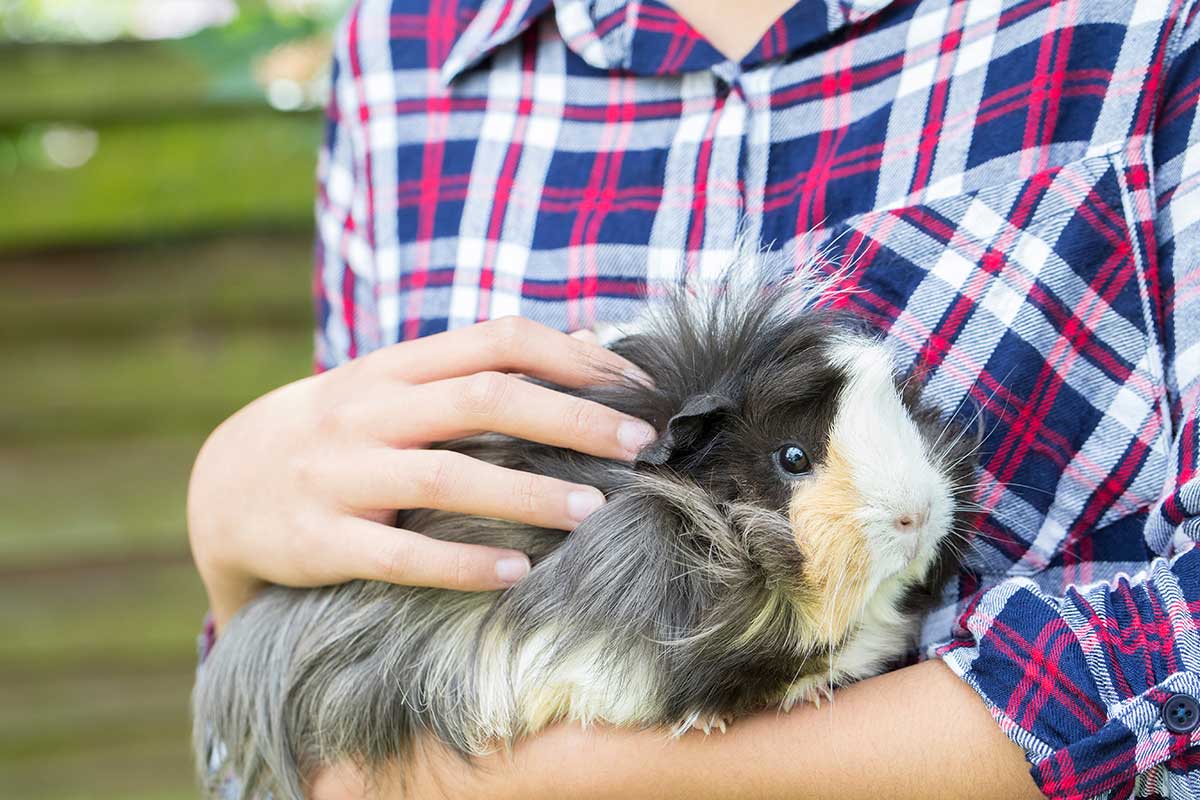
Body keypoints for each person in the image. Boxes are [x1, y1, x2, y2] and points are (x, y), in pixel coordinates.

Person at [187, 0, 1200, 797]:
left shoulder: (1135, 27)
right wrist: (225, 531)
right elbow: (311, 702)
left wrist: (571, 776)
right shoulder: (404, 49)